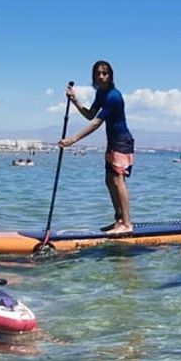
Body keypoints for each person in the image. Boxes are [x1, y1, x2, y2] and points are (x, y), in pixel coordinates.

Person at [59, 61, 135, 234]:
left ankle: (127, 224)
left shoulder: (114, 96)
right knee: (109, 180)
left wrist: (72, 140)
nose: (101, 76)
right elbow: (90, 115)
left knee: (118, 181)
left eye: (104, 73)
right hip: (112, 142)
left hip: (122, 141)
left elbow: (96, 123)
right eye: (98, 73)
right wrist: (75, 100)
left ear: (110, 76)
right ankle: (119, 220)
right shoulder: (101, 93)